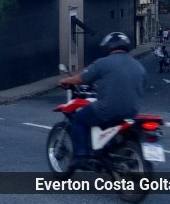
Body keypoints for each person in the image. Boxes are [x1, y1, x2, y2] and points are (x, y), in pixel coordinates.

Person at [59, 32, 147, 171]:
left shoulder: (103, 63)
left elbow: (81, 79)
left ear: (109, 46)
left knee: (79, 119)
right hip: (132, 112)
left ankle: (81, 156)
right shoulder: (138, 66)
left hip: (108, 110)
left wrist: (65, 80)